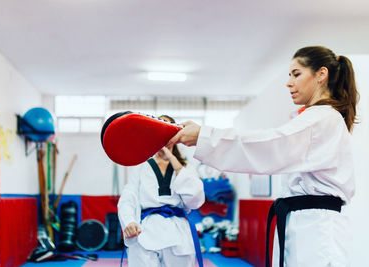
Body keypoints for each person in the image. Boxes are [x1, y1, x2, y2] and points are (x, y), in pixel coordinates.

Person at [167, 46, 359, 267]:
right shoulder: (317, 118)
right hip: (306, 224)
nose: (289, 82)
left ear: (321, 75)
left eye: (296, 74)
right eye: (289, 75)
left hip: (317, 230)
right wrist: (204, 136)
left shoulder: (323, 118)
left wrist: (204, 136)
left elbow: (270, 145)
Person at [117, 115, 205, 267]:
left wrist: (171, 158)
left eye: (168, 127)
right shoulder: (141, 166)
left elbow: (195, 200)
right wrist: (129, 221)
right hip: (145, 231)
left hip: (178, 234)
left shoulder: (185, 168)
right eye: (159, 127)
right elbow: (128, 197)